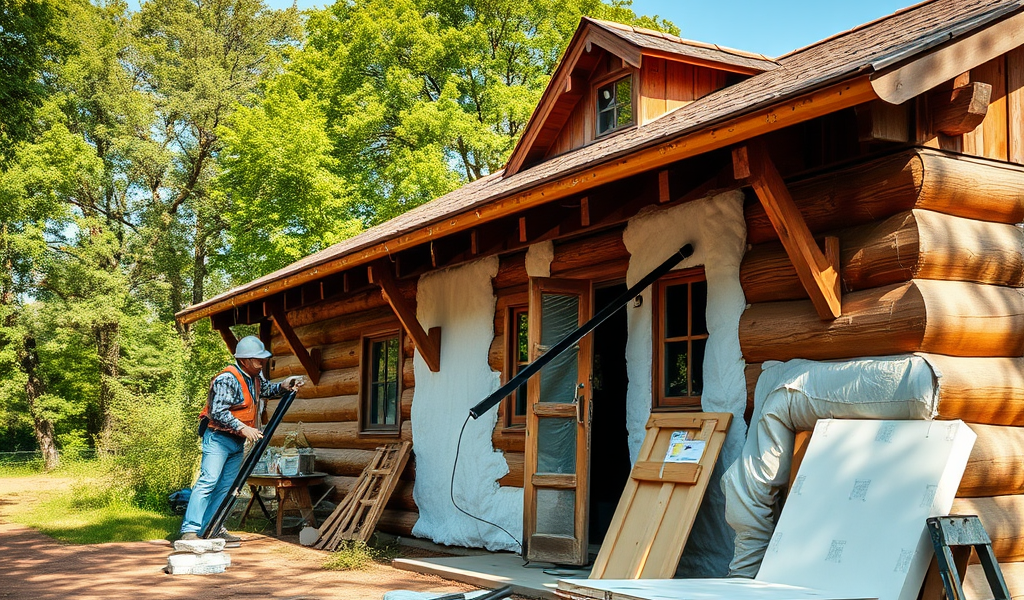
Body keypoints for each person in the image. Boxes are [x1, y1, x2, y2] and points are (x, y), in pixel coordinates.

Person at [179, 335, 305, 542]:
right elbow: (218, 411)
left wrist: (283, 385)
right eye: (258, 359)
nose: (262, 362)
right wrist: (242, 428)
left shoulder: (255, 377)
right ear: (244, 360)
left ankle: (213, 527)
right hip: (219, 439)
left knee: (228, 486)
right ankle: (190, 530)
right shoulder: (227, 379)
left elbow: (266, 391)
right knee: (208, 482)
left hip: (236, 441)